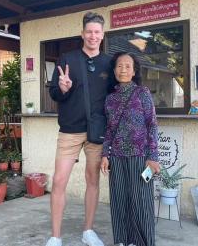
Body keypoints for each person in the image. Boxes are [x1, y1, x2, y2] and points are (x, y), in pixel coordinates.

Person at [46, 12, 111, 246]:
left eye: (97, 32)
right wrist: (62, 88)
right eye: (89, 32)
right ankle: (55, 236)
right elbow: (53, 92)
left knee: (93, 179)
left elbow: (113, 98)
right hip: (70, 130)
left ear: (102, 35)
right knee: (59, 180)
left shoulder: (108, 64)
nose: (93, 36)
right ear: (82, 34)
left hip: (97, 132)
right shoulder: (67, 59)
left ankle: (88, 231)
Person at [100, 52, 160, 246]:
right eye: (119, 66)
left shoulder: (142, 93)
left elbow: (152, 125)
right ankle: (122, 240)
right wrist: (105, 155)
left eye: (127, 66)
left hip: (140, 157)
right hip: (116, 157)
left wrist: (153, 157)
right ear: (114, 70)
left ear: (134, 71)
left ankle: (143, 242)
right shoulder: (110, 99)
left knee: (141, 203)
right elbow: (109, 129)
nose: (123, 69)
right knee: (118, 201)